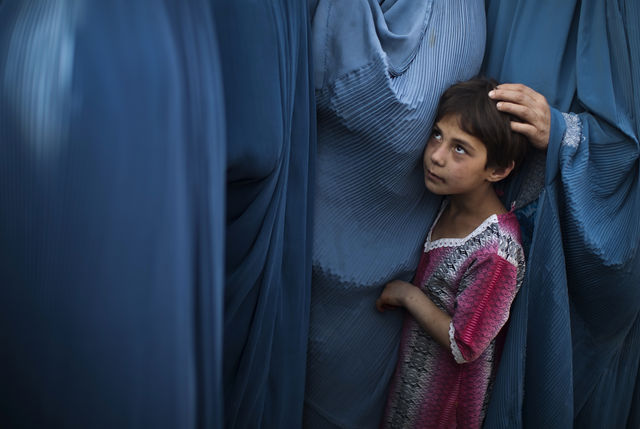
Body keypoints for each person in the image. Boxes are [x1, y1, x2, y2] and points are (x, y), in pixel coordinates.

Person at [375, 78, 528, 428]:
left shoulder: (498, 250)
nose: (437, 155)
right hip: (409, 394)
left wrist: (407, 294)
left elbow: (466, 344)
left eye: (460, 149)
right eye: (437, 135)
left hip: (445, 410)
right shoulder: (449, 204)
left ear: (499, 169)